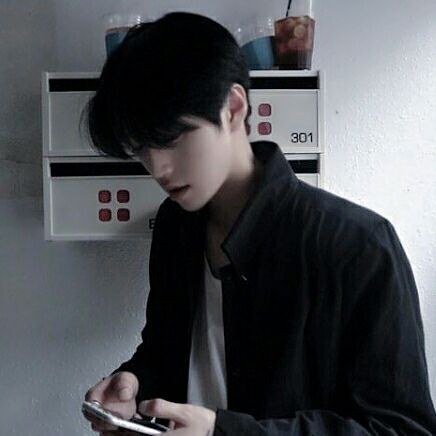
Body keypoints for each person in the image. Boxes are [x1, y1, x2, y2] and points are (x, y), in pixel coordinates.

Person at [81, 11, 436, 436]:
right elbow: (171, 349)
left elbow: (401, 429)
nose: (157, 167)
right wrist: (135, 381)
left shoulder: (359, 245)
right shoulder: (176, 225)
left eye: (172, 139)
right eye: (141, 149)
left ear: (233, 108)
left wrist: (223, 432)